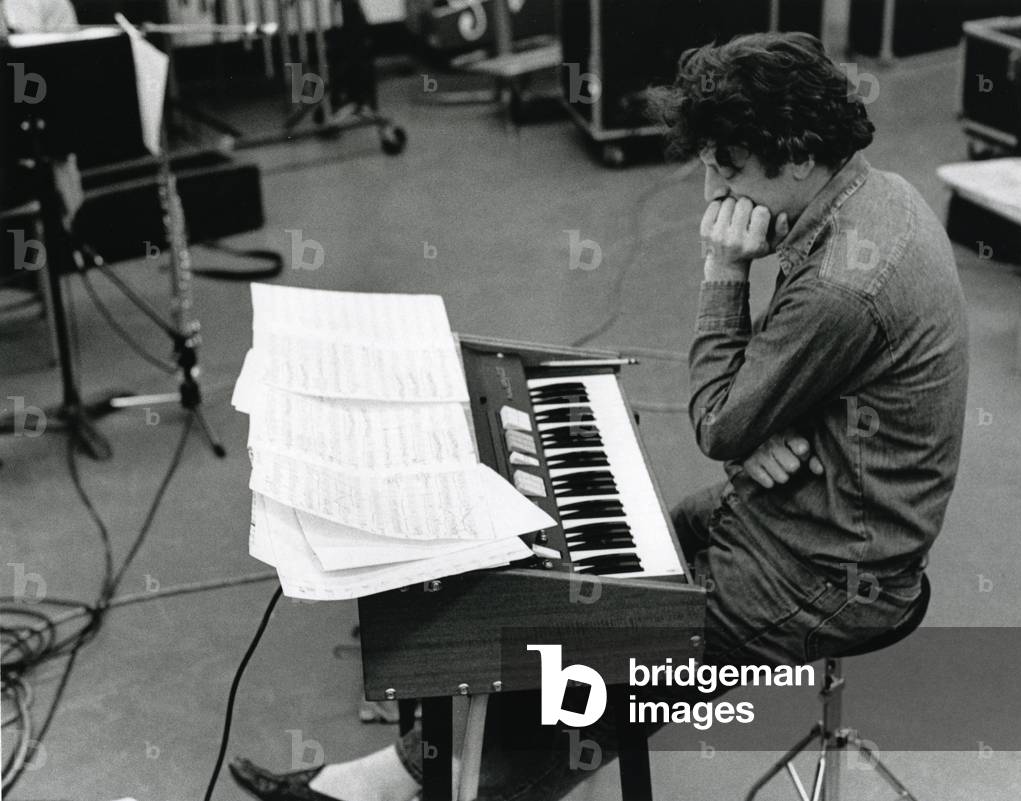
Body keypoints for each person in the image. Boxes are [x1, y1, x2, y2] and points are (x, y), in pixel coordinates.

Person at [230, 31, 969, 801]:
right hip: (799, 510)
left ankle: (435, 786)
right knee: (576, 584)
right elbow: (760, 419)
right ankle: (408, 771)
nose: (713, 193)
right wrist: (757, 436)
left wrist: (722, 273)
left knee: (594, 653)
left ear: (797, 152)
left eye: (726, 168)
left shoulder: (841, 284)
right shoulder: (875, 195)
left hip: (833, 573)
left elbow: (718, 422)